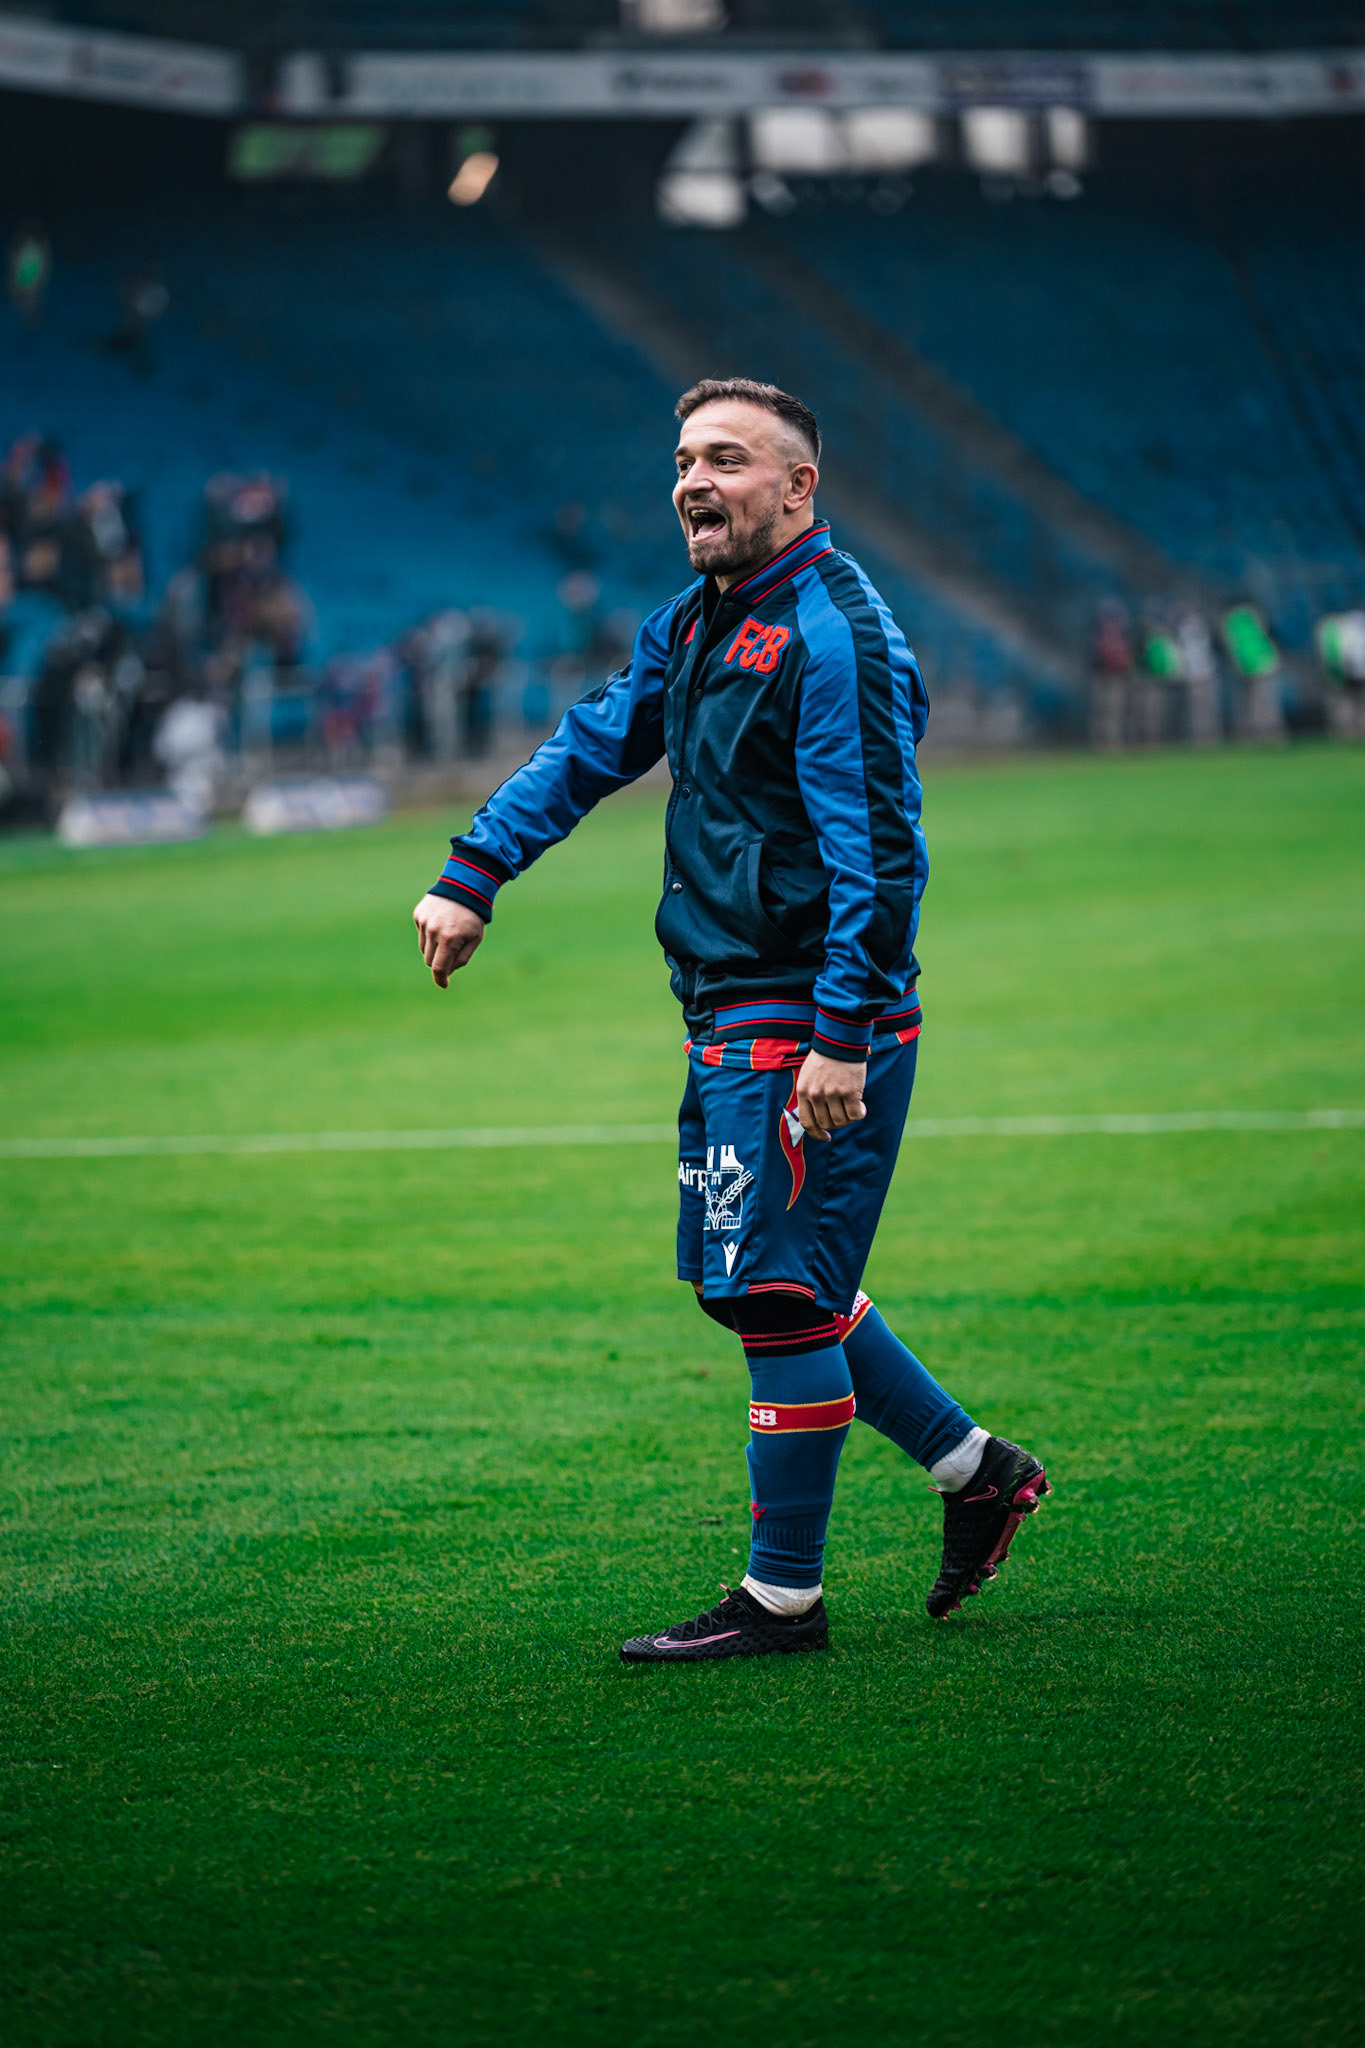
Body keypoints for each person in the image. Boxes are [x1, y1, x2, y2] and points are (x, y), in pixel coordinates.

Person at [413, 379, 1050, 1663]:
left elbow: (881, 857)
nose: (693, 482)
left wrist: (844, 1035)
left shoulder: (837, 637)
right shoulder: (701, 620)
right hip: (724, 993)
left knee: (772, 1289)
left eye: (728, 459)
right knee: (761, 1281)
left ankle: (782, 1601)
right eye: (684, 459)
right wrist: (476, 868)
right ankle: (976, 1470)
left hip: (805, 1007)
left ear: (799, 487)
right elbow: (599, 740)